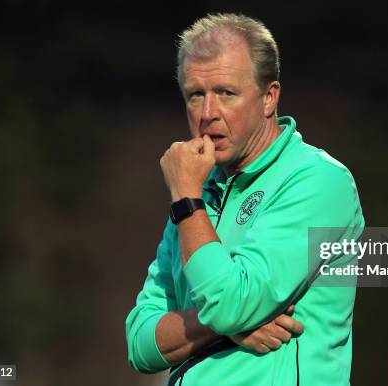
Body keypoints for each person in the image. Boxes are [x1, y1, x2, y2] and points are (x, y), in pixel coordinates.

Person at [125, 13, 364, 385]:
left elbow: (230, 303)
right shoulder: (199, 195)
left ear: (269, 97)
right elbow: (140, 342)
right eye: (195, 95)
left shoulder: (318, 180)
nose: (207, 114)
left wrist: (186, 200)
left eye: (225, 93)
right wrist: (220, 326)